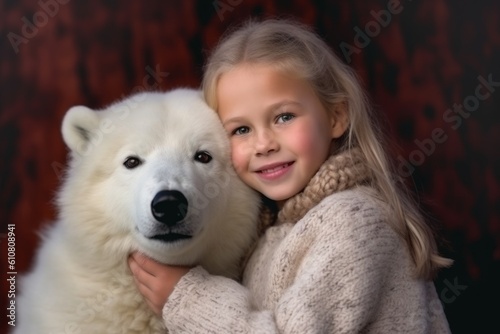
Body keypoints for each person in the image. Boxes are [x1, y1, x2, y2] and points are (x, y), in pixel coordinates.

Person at [128, 18, 452, 333]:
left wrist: (187, 299)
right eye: (241, 129)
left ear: (336, 116)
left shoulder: (352, 222)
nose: (264, 144)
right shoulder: (276, 227)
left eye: (284, 117)